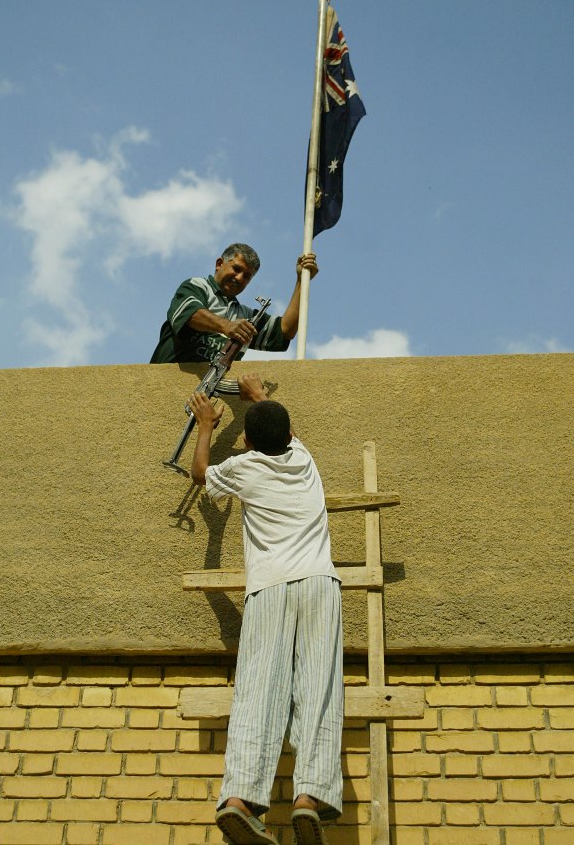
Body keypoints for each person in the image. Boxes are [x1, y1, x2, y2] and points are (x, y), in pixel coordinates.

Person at [189, 373, 343, 845]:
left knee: (259, 689)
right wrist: (259, 396)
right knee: (318, 689)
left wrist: (207, 425)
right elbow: (286, 433)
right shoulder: (305, 460)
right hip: (320, 583)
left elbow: (200, 475)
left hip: (270, 588)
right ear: (289, 434)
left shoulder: (243, 468)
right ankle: (308, 800)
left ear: (250, 441)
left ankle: (239, 799)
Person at [150, 243, 318, 363]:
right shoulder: (197, 286)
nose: (239, 278)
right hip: (165, 386)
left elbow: (285, 330)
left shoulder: (245, 316)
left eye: (247, 276)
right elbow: (190, 314)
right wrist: (227, 326)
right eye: (236, 269)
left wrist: (302, 280)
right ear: (219, 264)